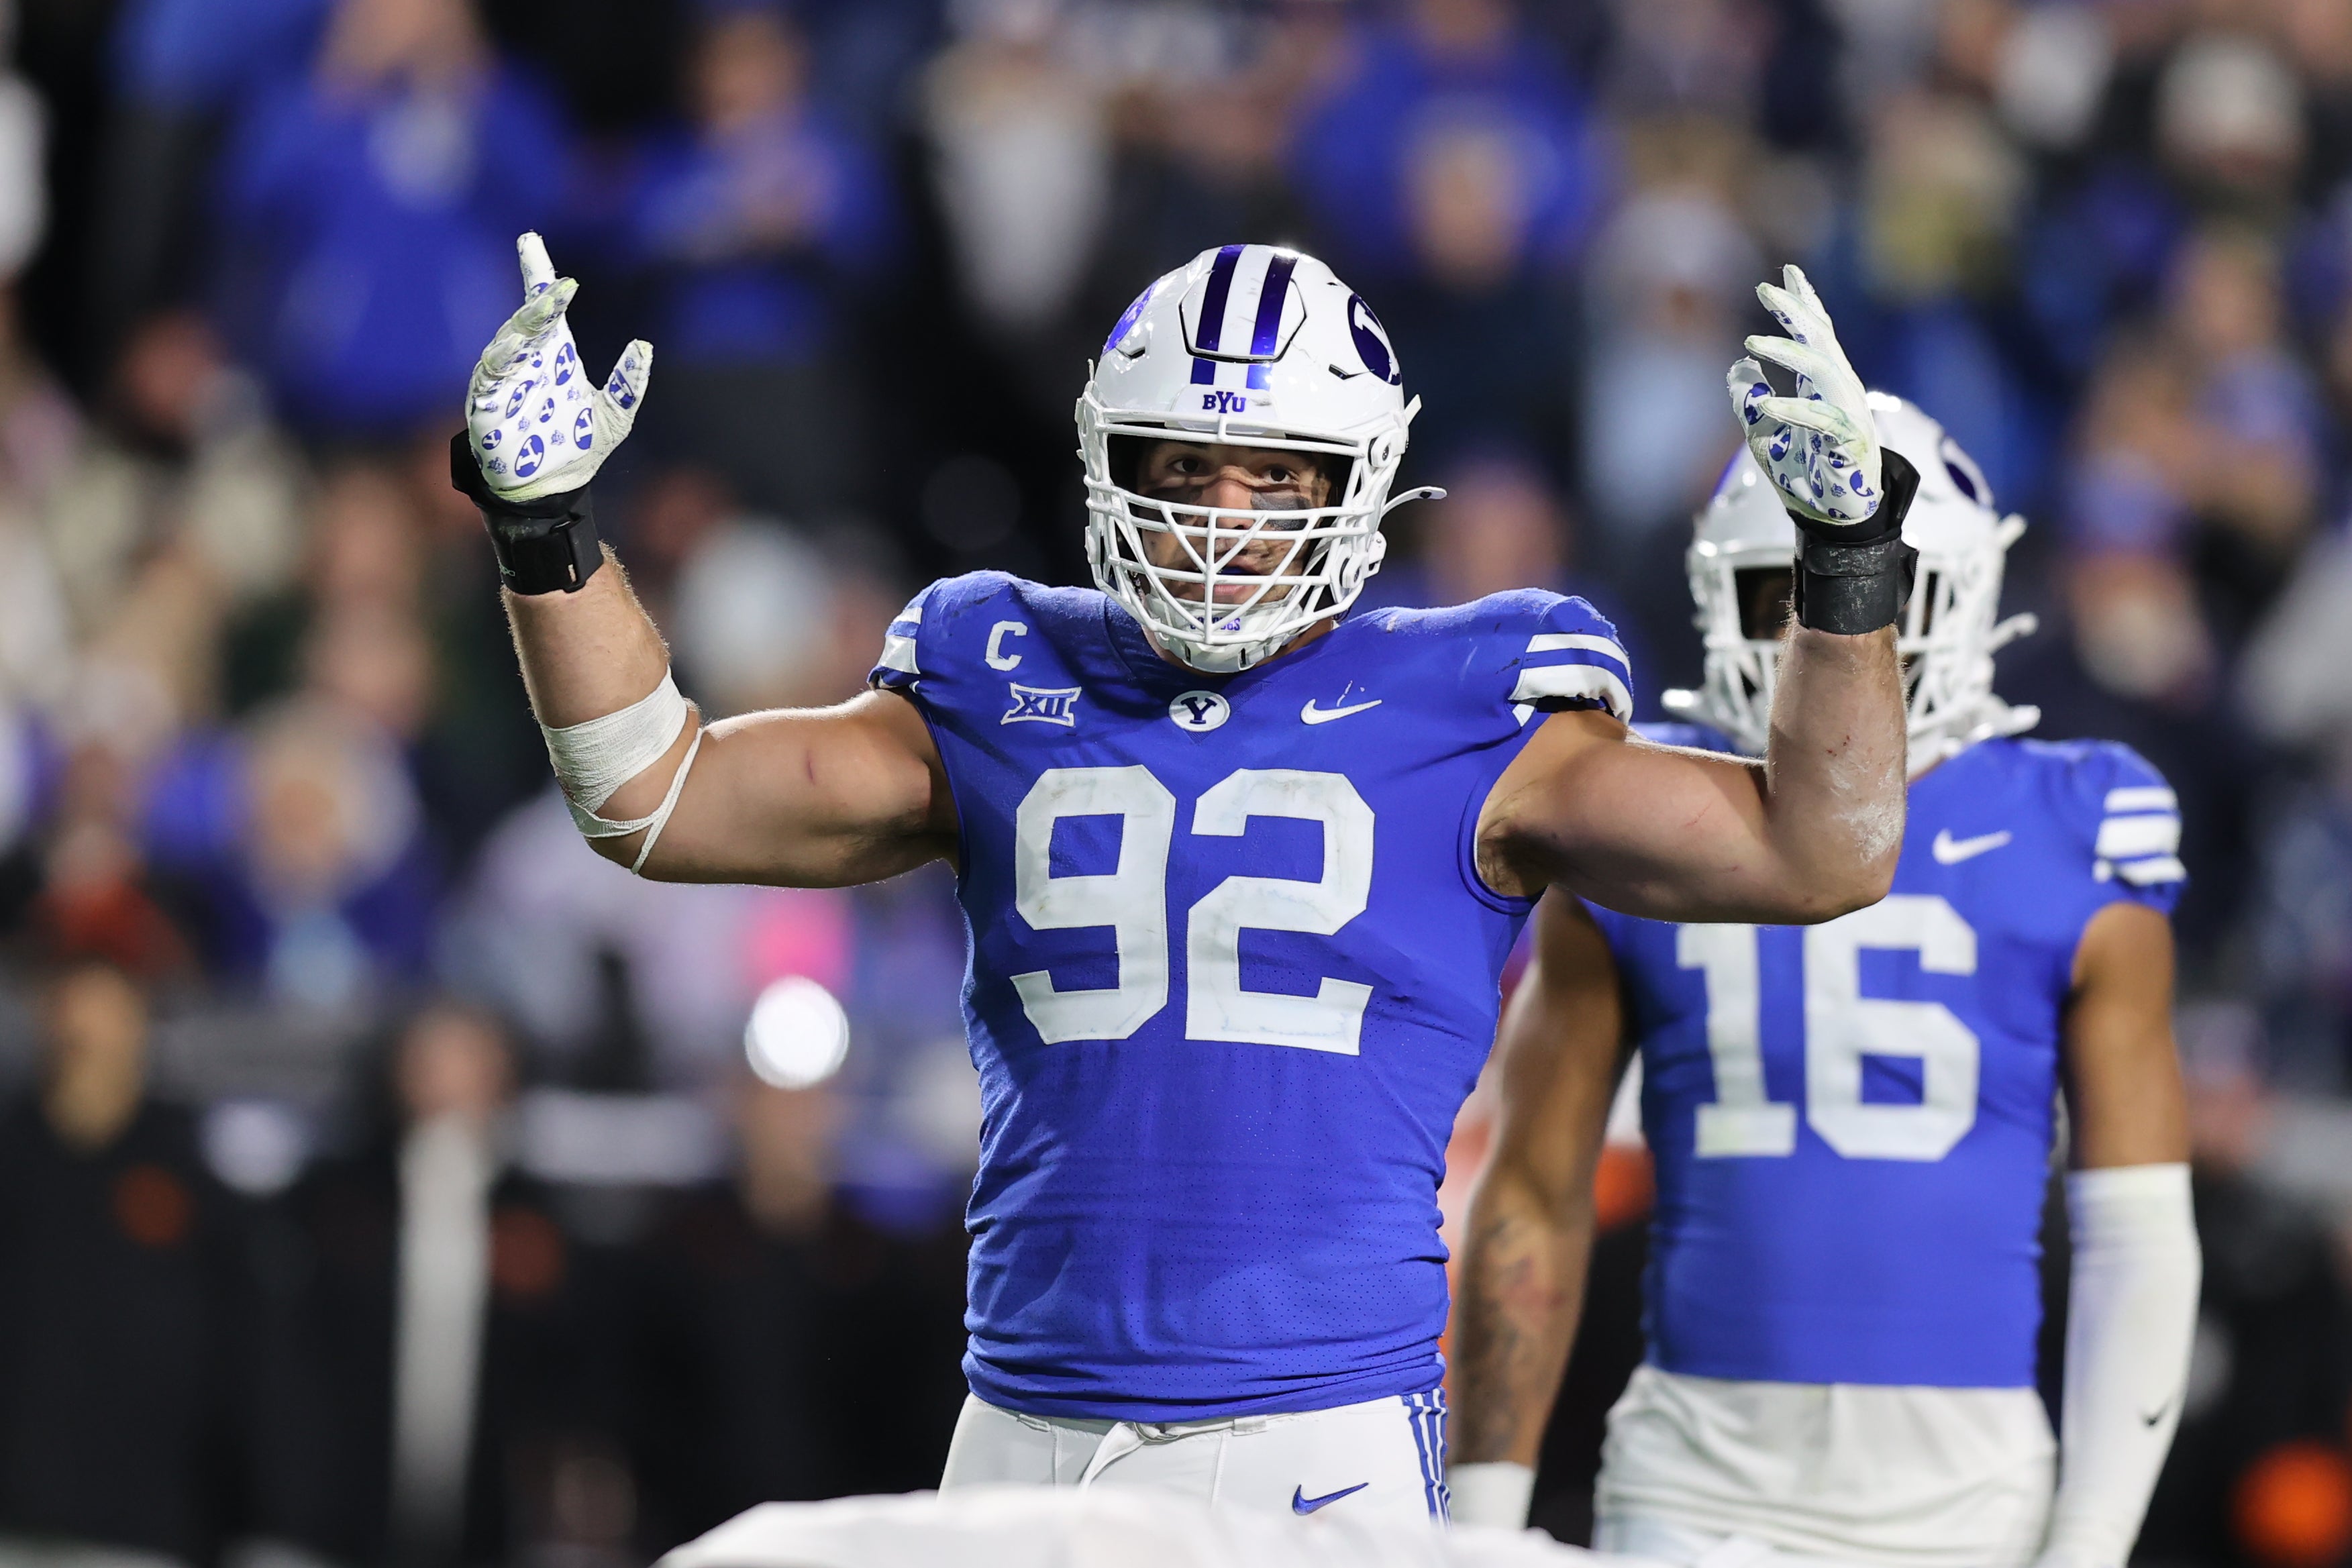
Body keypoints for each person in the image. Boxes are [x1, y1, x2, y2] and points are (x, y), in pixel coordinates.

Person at [450, 234, 1917, 1526]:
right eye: (1183, 467)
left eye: (1273, 474)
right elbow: (655, 793)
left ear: (1359, 484)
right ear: (1110, 465)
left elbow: (1821, 846)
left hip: (1308, 1430)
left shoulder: (1473, 701)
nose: (1221, 517)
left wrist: (1848, 561)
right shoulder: (996, 666)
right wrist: (542, 533)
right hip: (1022, 1419)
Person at [1445, 397, 2203, 1567]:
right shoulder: (1646, 813)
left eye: (1858, 591)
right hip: (1691, 1479)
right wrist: (1480, 1518)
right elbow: (1533, 1191)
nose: (1818, 627)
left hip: (1972, 1499)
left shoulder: (2074, 819)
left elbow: (2137, 1228)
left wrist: (2092, 1539)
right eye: (1776, 593)